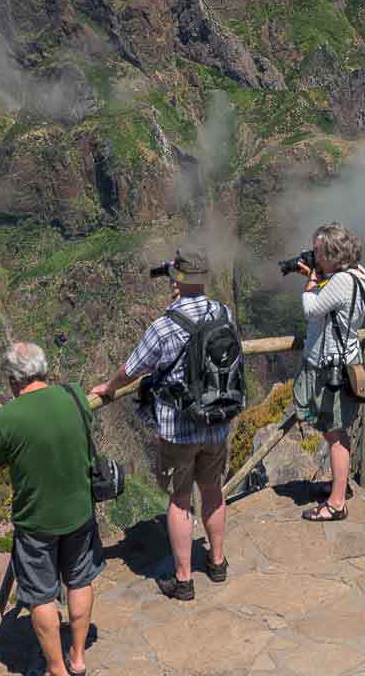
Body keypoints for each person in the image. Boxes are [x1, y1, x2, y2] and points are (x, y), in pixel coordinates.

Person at [89, 248, 233, 601]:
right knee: (212, 490)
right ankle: (217, 562)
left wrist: (108, 388)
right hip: (217, 421)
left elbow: (131, 369)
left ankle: (183, 580)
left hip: (178, 429)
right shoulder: (223, 313)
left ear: (177, 281)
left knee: (180, 500)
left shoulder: (164, 327)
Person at [0, 342, 101, 676]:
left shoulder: (5, 419)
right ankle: (77, 657)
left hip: (36, 523)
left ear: (12, 380)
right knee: (79, 581)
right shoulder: (76, 395)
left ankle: (56, 669)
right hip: (80, 511)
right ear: (43, 369)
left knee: (41, 597)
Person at [294, 221, 365, 523]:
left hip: (330, 368)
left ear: (332, 254)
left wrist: (311, 282)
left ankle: (337, 502)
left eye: (317, 252)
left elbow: (312, 309)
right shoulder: (360, 274)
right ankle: (339, 486)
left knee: (335, 433)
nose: (314, 257)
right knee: (335, 430)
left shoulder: (340, 281)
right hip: (345, 359)